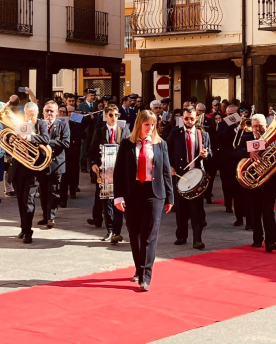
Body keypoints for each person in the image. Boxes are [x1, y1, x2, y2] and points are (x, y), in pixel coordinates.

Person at [113, 109, 174, 291]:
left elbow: (165, 171)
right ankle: (139, 269)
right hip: (133, 192)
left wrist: (170, 196)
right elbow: (119, 172)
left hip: (153, 193)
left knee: (150, 234)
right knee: (135, 234)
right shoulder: (127, 144)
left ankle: (146, 275)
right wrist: (118, 196)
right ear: (139, 124)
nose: (150, 128)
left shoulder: (160, 144)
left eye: (153, 124)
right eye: (147, 124)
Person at [235, 113, 276, 253]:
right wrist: (248, 153)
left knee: (268, 211)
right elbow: (236, 152)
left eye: (260, 126)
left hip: (269, 182)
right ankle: (257, 239)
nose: (258, 129)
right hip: (253, 182)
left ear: (267, 126)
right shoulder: (246, 138)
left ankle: (271, 242)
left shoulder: (273, 140)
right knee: (255, 211)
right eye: (255, 126)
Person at [167, 106, 212, 250]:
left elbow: (210, 152)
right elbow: (166, 151)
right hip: (180, 175)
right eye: (186, 118)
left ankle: (197, 239)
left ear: (196, 118)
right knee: (181, 209)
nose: (189, 120)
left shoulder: (202, 134)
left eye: (191, 118)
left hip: (196, 176)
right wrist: (170, 167)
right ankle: (181, 235)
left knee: (197, 210)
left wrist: (206, 154)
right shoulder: (175, 133)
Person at [9, 102, 50, 244]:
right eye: (27, 114)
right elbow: (10, 140)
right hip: (18, 167)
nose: (30, 117)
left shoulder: (41, 124)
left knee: (28, 200)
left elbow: (46, 139)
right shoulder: (21, 123)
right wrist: (12, 139)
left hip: (32, 168)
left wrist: (30, 138)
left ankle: (28, 232)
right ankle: (23, 227)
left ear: (37, 113)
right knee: (21, 200)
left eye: (32, 114)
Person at [88, 104, 130, 242]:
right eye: (111, 115)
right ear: (105, 116)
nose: (114, 118)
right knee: (107, 202)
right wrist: (93, 164)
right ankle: (110, 230)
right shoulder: (100, 131)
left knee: (118, 200)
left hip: (120, 172)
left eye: (116, 115)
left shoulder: (124, 130)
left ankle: (117, 231)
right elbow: (92, 150)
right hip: (104, 172)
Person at [37, 101, 70, 228]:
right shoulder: (39, 125)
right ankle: (45, 216)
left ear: (57, 112)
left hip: (56, 163)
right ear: (43, 112)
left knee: (54, 191)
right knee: (43, 191)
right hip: (41, 163)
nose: (49, 113)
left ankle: (52, 217)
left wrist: (47, 142)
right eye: (47, 111)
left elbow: (66, 143)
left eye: (52, 111)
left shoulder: (63, 125)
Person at [224, 104, 252, 229]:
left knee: (248, 193)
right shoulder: (225, 124)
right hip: (232, 163)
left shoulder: (249, 125)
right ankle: (239, 217)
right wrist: (236, 129)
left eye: (238, 113)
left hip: (247, 163)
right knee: (236, 192)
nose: (237, 115)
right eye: (232, 114)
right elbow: (221, 137)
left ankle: (249, 219)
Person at [59, 105, 86, 206]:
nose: (62, 114)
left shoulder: (74, 122)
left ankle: (69, 194)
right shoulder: (55, 123)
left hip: (71, 152)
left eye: (64, 113)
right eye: (60, 112)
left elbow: (83, 133)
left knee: (70, 174)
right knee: (62, 177)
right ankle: (61, 198)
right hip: (59, 153)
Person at [206, 111, 223, 204]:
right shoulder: (209, 130)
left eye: (219, 118)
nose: (218, 120)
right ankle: (208, 196)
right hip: (213, 156)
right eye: (216, 119)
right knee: (211, 177)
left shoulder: (223, 128)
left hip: (221, 155)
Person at [78, 88, 96, 174]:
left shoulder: (96, 105)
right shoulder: (81, 106)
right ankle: (83, 166)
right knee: (84, 149)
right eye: (91, 95)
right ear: (87, 96)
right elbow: (78, 118)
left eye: (94, 95)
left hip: (95, 130)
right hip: (85, 130)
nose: (93, 97)